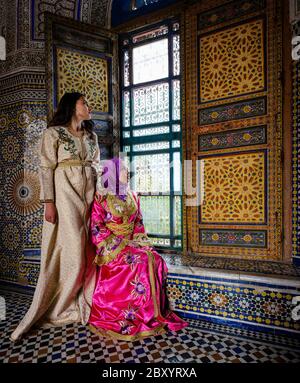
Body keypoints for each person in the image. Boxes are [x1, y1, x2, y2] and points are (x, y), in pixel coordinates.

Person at [10, 92, 100, 341]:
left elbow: (98, 167)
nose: (89, 106)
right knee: (72, 252)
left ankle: (84, 300)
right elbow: (46, 167)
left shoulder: (91, 136)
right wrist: (49, 202)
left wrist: (103, 197)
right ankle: (61, 307)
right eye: (85, 102)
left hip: (90, 196)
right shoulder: (53, 134)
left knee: (88, 250)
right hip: (64, 197)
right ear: (72, 106)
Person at [88, 157, 188, 341]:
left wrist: (141, 242)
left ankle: (153, 314)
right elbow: (97, 228)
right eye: (124, 170)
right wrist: (123, 244)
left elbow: (139, 224)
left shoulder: (133, 196)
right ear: (114, 174)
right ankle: (135, 315)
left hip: (134, 242)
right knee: (141, 261)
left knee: (154, 258)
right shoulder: (101, 198)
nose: (128, 173)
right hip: (113, 248)